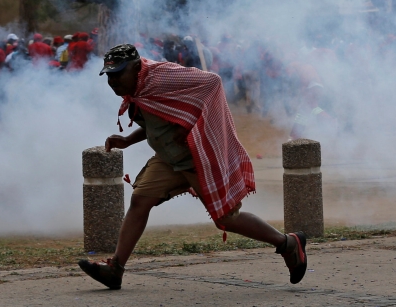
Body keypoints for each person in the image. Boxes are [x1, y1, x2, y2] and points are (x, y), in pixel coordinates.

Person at [77, 44, 307, 290]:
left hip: (199, 158)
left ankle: (288, 244)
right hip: (169, 159)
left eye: (117, 73)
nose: (112, 81)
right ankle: (116, 269)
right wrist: (127, 140)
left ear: (135, 68)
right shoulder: (137, 88)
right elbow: (161, 119)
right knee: (140, 201)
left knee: (226, 219)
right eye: (109, 75)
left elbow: (213, 82)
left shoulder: (161, 76)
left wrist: (185, 126)